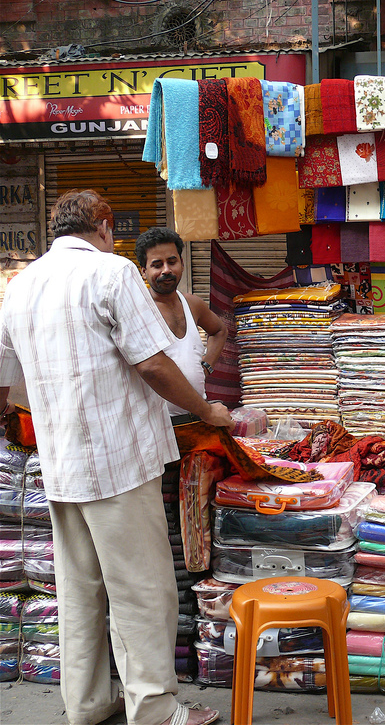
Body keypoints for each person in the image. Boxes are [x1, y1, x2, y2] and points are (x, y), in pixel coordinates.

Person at [0, 190, 231, 725]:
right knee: (143, 590)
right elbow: (152, 365)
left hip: (61, 468)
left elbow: (4, 388)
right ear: (104, 226)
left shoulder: (20, 286)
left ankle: (86, 704)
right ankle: (153, 708)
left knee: (79, 593)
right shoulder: (113, 272)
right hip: (118, 461)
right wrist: (206, 410)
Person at [135, 227, 227, 421]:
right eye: (157, 265)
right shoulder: (136, 310)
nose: (166, 270)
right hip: (157, 424)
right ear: (144, 271)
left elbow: (219, 330)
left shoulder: (193, 304)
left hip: (198, 417)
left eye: (172, 261)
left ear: (182, 264)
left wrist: (207, 365)